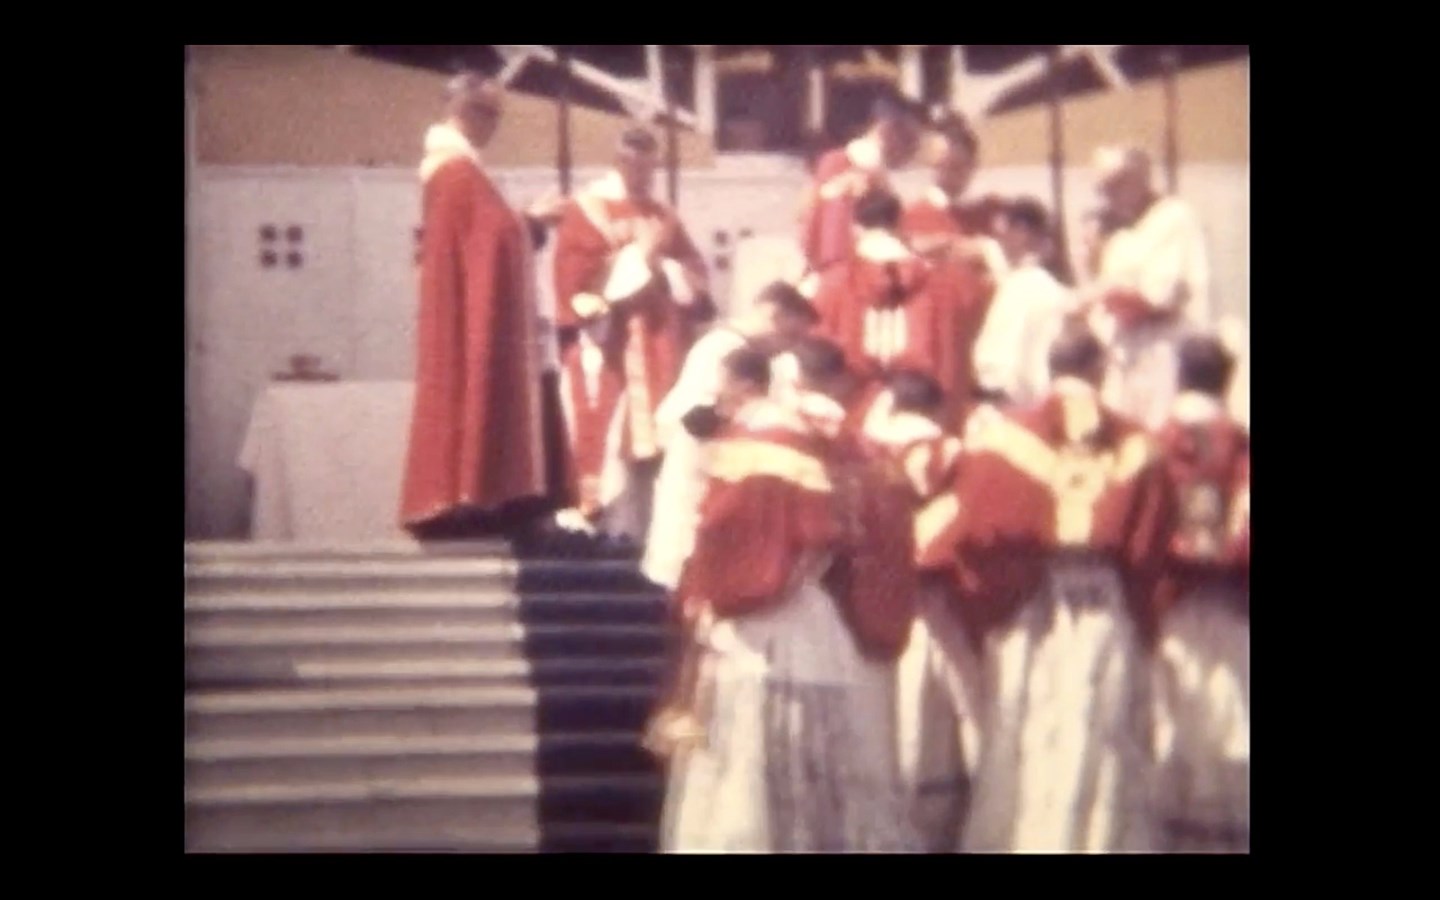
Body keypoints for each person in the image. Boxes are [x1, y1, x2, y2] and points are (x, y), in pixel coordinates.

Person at [657, 340, 920, 852]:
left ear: (743, 385)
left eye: (722, 388)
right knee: (804, 752)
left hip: (761, 620)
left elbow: (724, 529)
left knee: (749, 752)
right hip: (809, 612)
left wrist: (707, 591)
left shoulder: (757, 442)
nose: (718, 400)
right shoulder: (809, 435)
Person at [937, 325, 1176, 853]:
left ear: (1050, 370)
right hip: (1103, 601)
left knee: (1027, 720)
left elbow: (976, 529)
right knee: (1097, 725)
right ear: (1099, 370)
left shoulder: (1005, 438)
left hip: (1030, 601)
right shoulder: (1140, 444)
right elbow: (1151, 547)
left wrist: (995, 596)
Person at [399, 74, 572, 542]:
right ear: (466, 110)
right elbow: (492, 236)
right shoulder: (456, 172)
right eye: (490, 114)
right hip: (469, 317)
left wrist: (523, 224)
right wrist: (533, 218)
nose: (494, 126)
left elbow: (486, 234)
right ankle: (480, 501)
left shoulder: (456, 169)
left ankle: (479, 498)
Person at [551, 126, 711, 543]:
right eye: (635, 165)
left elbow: (695, 271)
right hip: (611, 346)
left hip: (660, 343)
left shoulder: (662, 215)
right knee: (609, 435)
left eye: (651, 166)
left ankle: (647, 532)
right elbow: (575, 284)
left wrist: (663, 266)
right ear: (619, 162)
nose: (644, 175)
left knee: (658, 437)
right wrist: (642, 255)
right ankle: (608, 526)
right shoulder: (587, 211)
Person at [857, 368, 983, 852]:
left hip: (880, 592)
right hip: (940, 588)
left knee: (898, 698)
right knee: (954, 700)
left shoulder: (864, 449)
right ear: (934, 406)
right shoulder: (948, 450)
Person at [640, 281, 819, 591]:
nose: (788, 347)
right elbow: (701, 417)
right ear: (772, 315)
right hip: (701, 477)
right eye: (790, 336)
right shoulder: (722, 350)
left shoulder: (749, 353)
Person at [1150, 335, 1250, 852]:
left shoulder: (1153, 441)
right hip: (1231, 598)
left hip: (1170, 597)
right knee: (1231, 711)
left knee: (1172, 712)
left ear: (1180, 377)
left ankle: (1168, 833)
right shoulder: (1241, 444)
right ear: (1227, 380)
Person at [1085, 145, 1212, 429]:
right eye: (1102, 188)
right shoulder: (1119, 236)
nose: (1108, 196)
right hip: (1125, 359)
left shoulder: (1175, 217)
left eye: (1115, 185)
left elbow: (1163, 297)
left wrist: (1106, 296)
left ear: (1141, 177)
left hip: (1164, 355)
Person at [811, 189, 948, 397]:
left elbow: (818, 349)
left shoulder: (835, 280)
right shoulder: (933, 280)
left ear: (855, 227)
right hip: (916, 397)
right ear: (900, 225)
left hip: (850, 396)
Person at [798, 92, 926, 280]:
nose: (913, 150)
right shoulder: (848, 168)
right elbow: (831, 245)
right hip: (845, 284)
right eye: (910, 139)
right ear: (887, 128)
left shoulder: (840, 164)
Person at [972, 197, 1080, 409]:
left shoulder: (1023, 286)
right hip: (1044, 400)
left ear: (1021, 232)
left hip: (1011, 402)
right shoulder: (1053, 287)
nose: (1000, 243)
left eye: (1002, 235)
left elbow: (1005, 357)